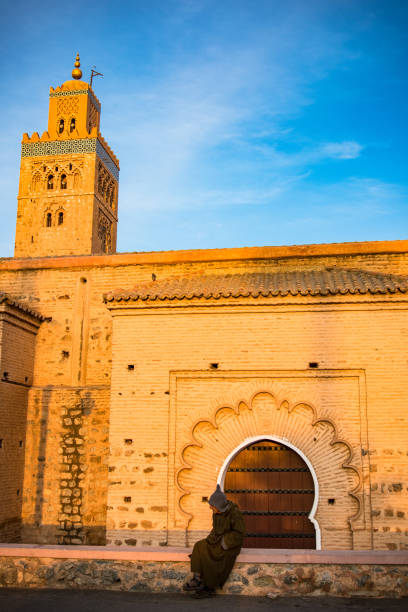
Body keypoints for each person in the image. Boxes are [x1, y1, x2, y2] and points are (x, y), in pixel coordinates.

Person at [183, 484, 245, 598]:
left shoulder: (235, 513)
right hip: (217, 540)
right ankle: (197, 579)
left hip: (229, 545)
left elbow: (239, 534)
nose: (210, 508)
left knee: (212, 556)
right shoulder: (216, 513)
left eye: (212, 506)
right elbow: (215, 529)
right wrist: (210, 540)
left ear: (219, 505)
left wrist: (223, 542)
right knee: (200, 546)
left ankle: (209, 586)